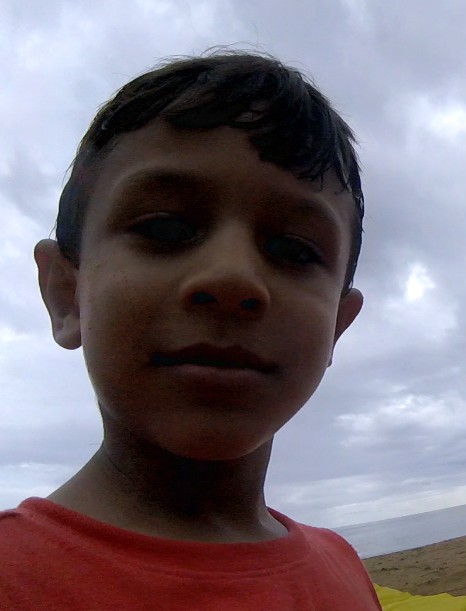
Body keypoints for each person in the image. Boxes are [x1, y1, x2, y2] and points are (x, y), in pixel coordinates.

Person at [0, 52, 383, 608]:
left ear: (337, 329)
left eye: (293, 250)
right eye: (165, 229)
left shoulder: (342, 564)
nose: (232, 277)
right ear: (65, 295)